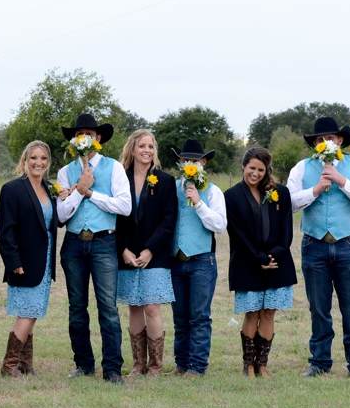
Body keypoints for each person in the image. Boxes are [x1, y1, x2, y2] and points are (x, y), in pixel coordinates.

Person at [286, 114, 350, 377]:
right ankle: (319, 362)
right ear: (315, 144)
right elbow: (289, 203)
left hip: (348, 244)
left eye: (330, 137)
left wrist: (341, 181)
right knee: (318, 307)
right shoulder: (301, 168)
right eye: (320, 139)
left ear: (340, 140)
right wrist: (315, 190)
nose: (326, 142)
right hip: (314, 244)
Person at [55, 111, 131, 382]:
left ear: (98, 138)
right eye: (79, 134)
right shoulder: (65, 171)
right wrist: (77, 190)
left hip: (103, 242)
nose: (84, 138)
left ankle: (112, 369)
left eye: (89, 134)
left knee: (108, 308)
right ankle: (84, 364)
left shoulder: (114, 167)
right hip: (74, 244)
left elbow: (124, 206)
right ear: (74, 140)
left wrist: (90, 192)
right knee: (76, 307)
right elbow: (62, 216)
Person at [224, 146, 297, 377]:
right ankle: (248, 365)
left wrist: (273, 256)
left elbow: (287, 231)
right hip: (247, 262)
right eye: (251, 168)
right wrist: (259, 259)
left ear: (267, 171)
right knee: (252, 313)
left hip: (278, 262)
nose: (255, 173)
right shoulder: (231, 196)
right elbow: (237, 235)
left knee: (268, 313)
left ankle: (262, 364)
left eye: (260, 169)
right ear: (244, 167)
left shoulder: (281, 193)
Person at [0, 140, 61, 376]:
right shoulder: (12, 189)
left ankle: (25, 363)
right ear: (24, 160)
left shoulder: (50, 188)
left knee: (33, 311)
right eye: (33, 157)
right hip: (23, 262)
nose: (38, 162)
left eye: (43, 158)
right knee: (28, 311)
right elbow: (5, 231)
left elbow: (56, 221)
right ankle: (9, 365)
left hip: (44, 261)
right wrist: (13, 262)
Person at [116, 130, 177, 377]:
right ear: (132, 149)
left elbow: (169, 219)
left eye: (151, 146)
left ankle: (155, 366)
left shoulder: (164, 180)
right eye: (142, 146)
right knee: (133, 306)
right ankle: (138, 364)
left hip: (156, 254)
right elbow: (115, 217)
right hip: (128, 254)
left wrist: (151, 249)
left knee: (152, 307)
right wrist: (123, 250)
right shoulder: (120, 179)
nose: (147, 151)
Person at [168, 138, 227, 377]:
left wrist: (199, 203)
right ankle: (181, 364)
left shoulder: (212, 191)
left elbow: (220, 225)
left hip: (202, 261)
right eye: (186, 160)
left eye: (195, 160)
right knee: (180, 316)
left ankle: (197, 366)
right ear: (181, 163)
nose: (190, 163)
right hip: (175, 260)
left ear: (203, 162)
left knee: (200, 316)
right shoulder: (171, 188)